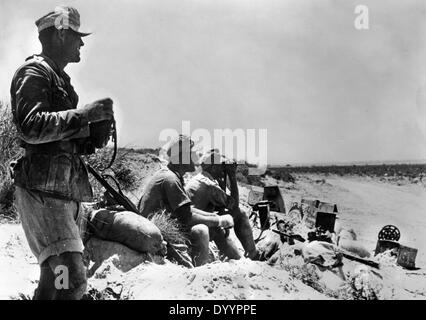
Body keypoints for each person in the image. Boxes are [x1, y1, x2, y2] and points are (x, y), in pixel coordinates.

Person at [10, 6, 114, 300]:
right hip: (43, 194)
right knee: (71, 278)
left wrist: (94, 134)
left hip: (57, 193)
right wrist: (84, 116)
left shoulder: (59, 81)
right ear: (59, 34)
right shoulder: (35, 72)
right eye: (76, 36)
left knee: (53, 276)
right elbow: (30, 127)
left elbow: (63, 142)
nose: (81, 43)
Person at [138, 135, 235, 266]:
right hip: (157, 236)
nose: (195, 157)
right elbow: (187, 217)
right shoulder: (170, 179)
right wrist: (219, 220)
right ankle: (198, 273)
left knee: (214, 227)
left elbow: (186, 209)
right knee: (201, 230)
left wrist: (214, 217)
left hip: (161, 229)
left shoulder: (171, 175)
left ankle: (240, 261)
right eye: (191, 153)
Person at [185, 149, 260, 260]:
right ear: (214, 167)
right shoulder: (209, 184)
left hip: (191, 220)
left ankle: (237, 257)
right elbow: (234, 206)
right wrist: (232, 176)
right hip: (195, 226)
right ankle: (251, 254)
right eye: (221, 166)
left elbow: (220, 206)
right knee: (240, 214)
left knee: (220, 225)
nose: (222, 168)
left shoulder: (200, 178)